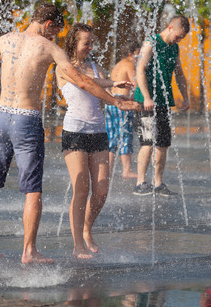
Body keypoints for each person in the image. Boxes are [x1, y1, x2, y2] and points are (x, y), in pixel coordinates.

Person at [0, 4, 140, 265]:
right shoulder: (49, 48)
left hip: (1, 118)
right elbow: (81, 81)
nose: (57, 37)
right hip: (26, 121)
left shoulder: (5, 40)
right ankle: (29, 251)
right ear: (48, 25)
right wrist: (115, 101)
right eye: (56, 31)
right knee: (33, 190)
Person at [56, 23, 141, 259]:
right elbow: (85, 82)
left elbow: (99, 83)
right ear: (74, 42)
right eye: (87, 43)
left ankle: (87, 228)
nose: (91, 47)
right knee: (81, 189)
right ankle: (77, 245)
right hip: (75, 133)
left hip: (99, 133)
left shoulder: (95, 66)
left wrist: (119, 91)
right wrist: (116, 98)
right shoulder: (64, 67)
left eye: (92, 42)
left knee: (102, 190)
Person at [133, 16, 190, 196]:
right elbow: (140, 69)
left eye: (181, 38)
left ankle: (158, 183)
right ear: (170, 27)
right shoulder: (151, 43)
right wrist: (147, 97)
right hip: (145, 102)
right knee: (148, 142)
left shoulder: (174, 47)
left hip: (164, 102)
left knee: (163, 143)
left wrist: (185, 97)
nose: (178, 40)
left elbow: (179, 73)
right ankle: (140, 182)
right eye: (178, 36)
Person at [105, 41, 141, 178]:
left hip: (111, 102)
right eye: (139, 53)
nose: (141, 56)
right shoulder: (130, 64)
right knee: (125, 134)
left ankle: (108, 170)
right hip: (123, 104)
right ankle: (127, 170)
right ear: (131, 53)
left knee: (112, 137)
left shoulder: (118, 64)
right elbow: (136, 84)